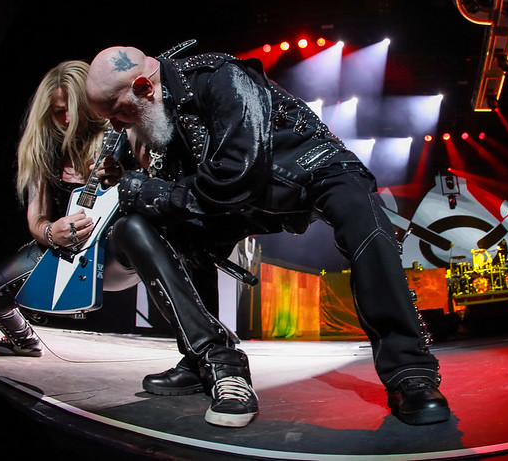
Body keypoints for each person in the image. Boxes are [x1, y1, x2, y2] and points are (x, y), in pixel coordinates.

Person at [85, 42, 450, 428]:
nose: (117, 126)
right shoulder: (161, 110)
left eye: (117, 113)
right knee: (168, 230)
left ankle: (410, 373)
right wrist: (131, 180)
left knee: (364, 224)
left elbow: (236, 174)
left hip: (310, 170)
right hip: (248, 196)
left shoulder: (220, 76)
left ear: (144, 86)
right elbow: (188, 189)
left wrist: (146, 190)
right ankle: (206, 359)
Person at [0, 61, 139, 357]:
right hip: (68, 250)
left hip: (118, 249)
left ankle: (202, 351)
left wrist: (123, 179)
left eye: (74, 108)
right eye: (59, 111)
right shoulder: (42, 147)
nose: (68, 118)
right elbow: (36, 217)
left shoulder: (119, 132)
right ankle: (24, 341)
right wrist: (51, 232)